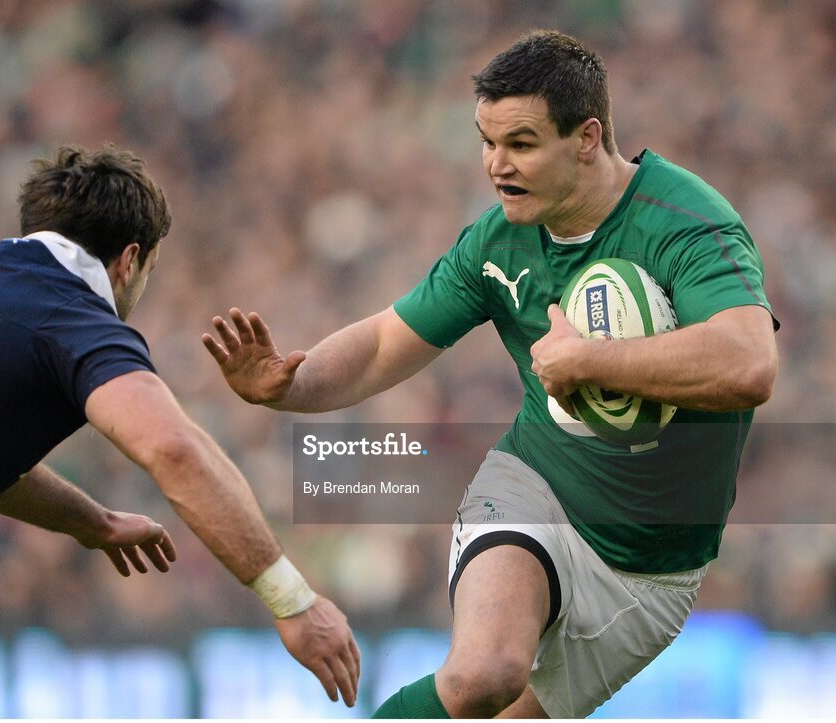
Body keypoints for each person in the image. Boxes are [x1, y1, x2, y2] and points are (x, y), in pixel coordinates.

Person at [202, 30, 778, 719]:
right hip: (536, 489)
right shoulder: (497, 240)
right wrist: (290, 385)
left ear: (587, 138)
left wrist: (591, 360)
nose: (496, 166)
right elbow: (388, 340)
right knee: (483, 674)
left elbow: (748, 363)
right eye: (486, 141)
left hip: (653, 573)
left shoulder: (687, 222)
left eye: (522, 145)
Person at [0, 145, 359, 719]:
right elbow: (173, 449)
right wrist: (293, 602)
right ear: (129, 261)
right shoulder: (70, 314)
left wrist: (92, 523)